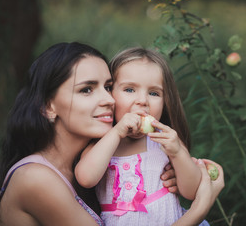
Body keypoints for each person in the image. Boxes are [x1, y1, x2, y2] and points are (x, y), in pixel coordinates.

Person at [0, 42, 224, 226]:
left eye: (108, 87)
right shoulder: (36, 179)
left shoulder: (92, 162)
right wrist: (199, 209)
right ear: (49, 107)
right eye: (87, 89)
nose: (108, 100)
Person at [75, 47, 218, 225]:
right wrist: (117, 132)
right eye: (129, 89)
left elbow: (190, 191)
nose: (143, 100)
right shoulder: (102, 143)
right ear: (110, 94)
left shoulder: (164, 140)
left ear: (165, 102)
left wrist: (177, 153)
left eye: (153, 93)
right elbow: (86, 178)